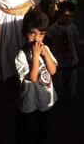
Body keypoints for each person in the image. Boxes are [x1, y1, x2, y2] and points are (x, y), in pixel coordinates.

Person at [15, 10, 57, 144]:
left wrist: (45, 54)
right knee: (29, 132)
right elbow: (32, 78)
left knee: (43, 129)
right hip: (30, 102)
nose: (37, 38)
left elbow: (53, 70)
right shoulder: (21, 55)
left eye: (41, 34)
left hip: (44, 98)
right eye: (32, 33)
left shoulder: (46, 49)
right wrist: (36, 56)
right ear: (25, 33)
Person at [46, 1, 79, 100]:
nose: (69, 19)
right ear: (59, 15)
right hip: (57, 62)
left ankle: (70, 97)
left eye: (72, 17)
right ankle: (56, 98)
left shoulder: (73, 27)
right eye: (66, 16)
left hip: (71, 60)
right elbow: (48, 42)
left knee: (72, 81)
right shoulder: (53, 29)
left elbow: (76, 40)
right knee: (57, 82)